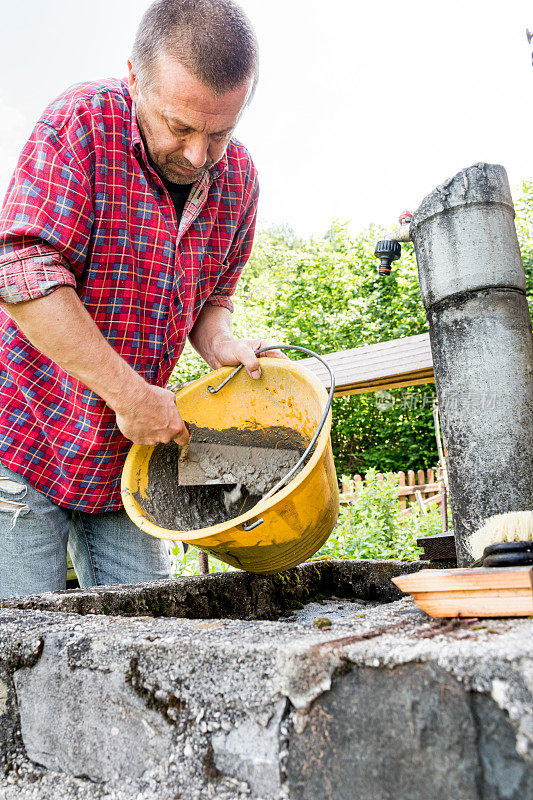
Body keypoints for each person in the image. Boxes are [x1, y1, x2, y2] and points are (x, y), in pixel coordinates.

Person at [0, 0, 282, 597]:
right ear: (134, 77)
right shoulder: (78, 125)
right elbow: (21, 275)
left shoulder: (240, 180)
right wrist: (130, 395)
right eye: (178, 127)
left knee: (149, 638)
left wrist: (220, 344)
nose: (198, 155)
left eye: (220, 132)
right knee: (24, 654)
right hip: (23, 443)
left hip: (133, 457)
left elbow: (214, 295)